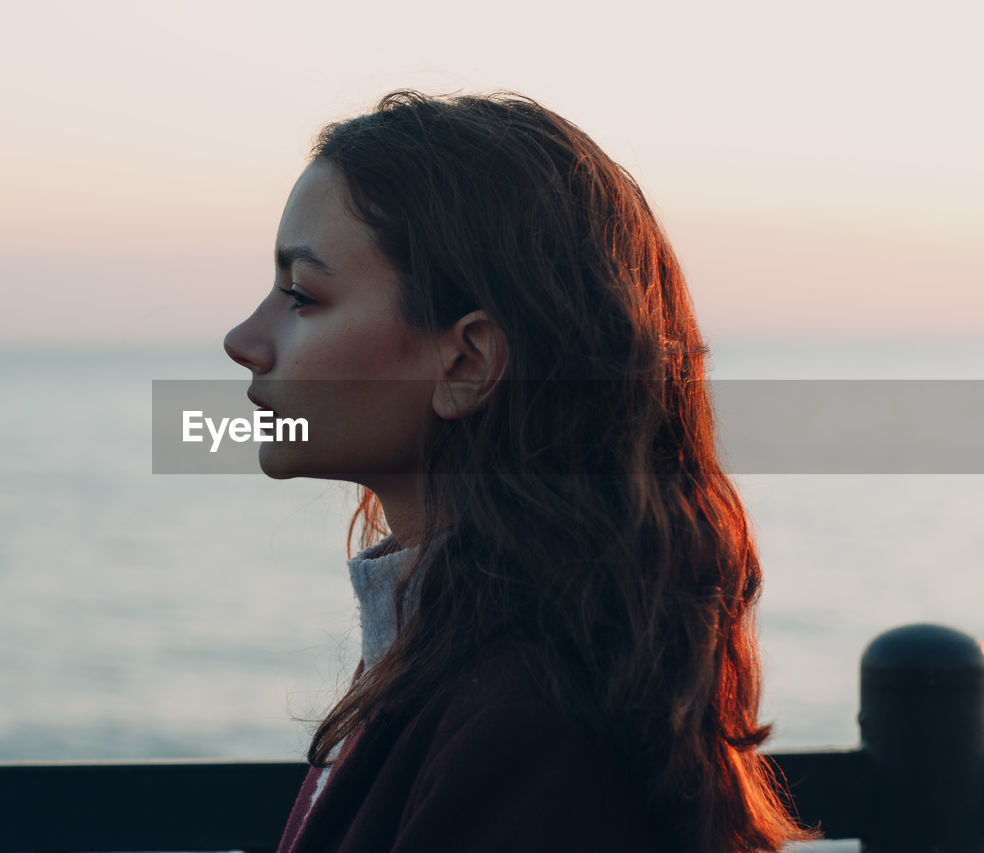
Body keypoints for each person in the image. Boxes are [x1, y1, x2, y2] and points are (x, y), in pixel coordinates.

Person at [223, 91, 814, 853]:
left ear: (467, 360)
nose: (244, 339)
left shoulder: (528, 722)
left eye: (303, 295)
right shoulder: (459, 659)